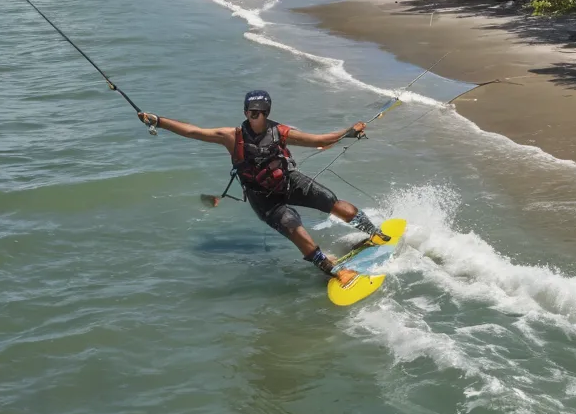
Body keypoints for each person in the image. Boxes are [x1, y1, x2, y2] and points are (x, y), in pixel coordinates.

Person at [138, 89, 388, 286]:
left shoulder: (281, 132)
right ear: (245, 111)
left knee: (329, 200)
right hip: (263, 198)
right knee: (293, 226)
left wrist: (348, 132)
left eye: (259, 112)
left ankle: (373, 232)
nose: (254, 116)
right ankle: (331, 269)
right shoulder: (231, 136)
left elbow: (318, 141)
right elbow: (193, 131)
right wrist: (158, 121)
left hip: (288, 181)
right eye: (250, 111)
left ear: (267, 112)